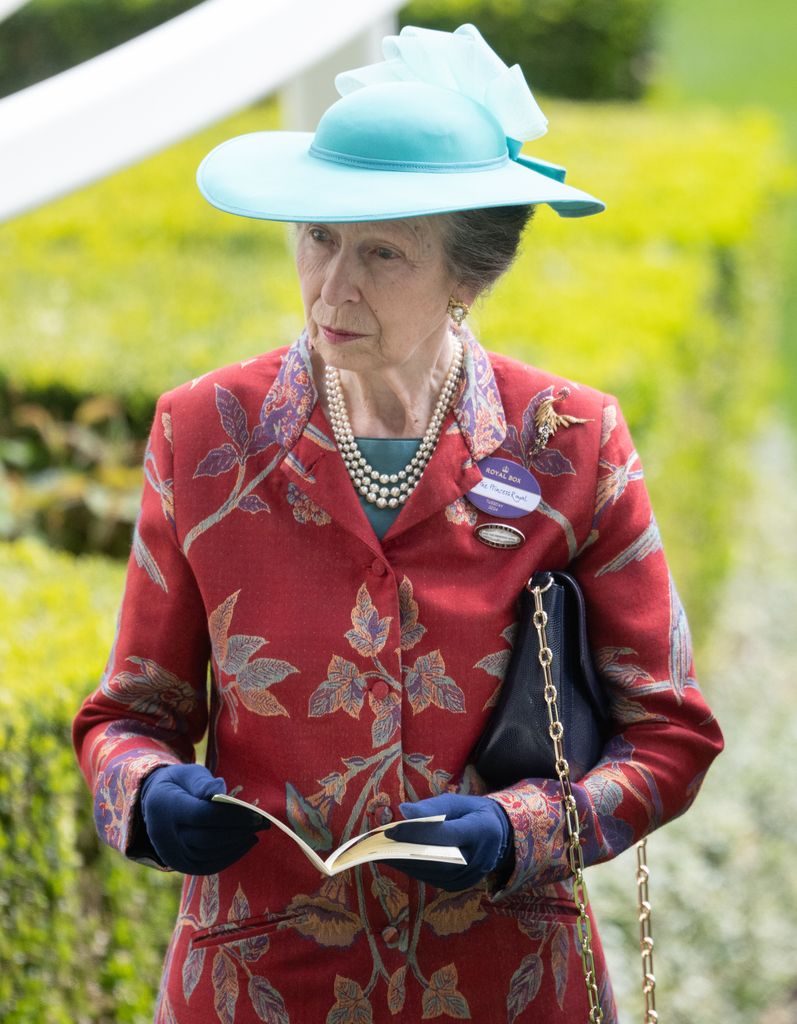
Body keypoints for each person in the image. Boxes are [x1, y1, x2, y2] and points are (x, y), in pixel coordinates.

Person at [73, 24, 723, 1024]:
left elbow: (669, 733)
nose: (332, 286)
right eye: (317, 238)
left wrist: (521, 831)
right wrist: (147, 795)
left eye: (382, 253)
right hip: (253, 984)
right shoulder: (202, 432)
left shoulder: (572, 442)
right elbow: (126, 717)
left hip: (500, 985)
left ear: (465, 276)